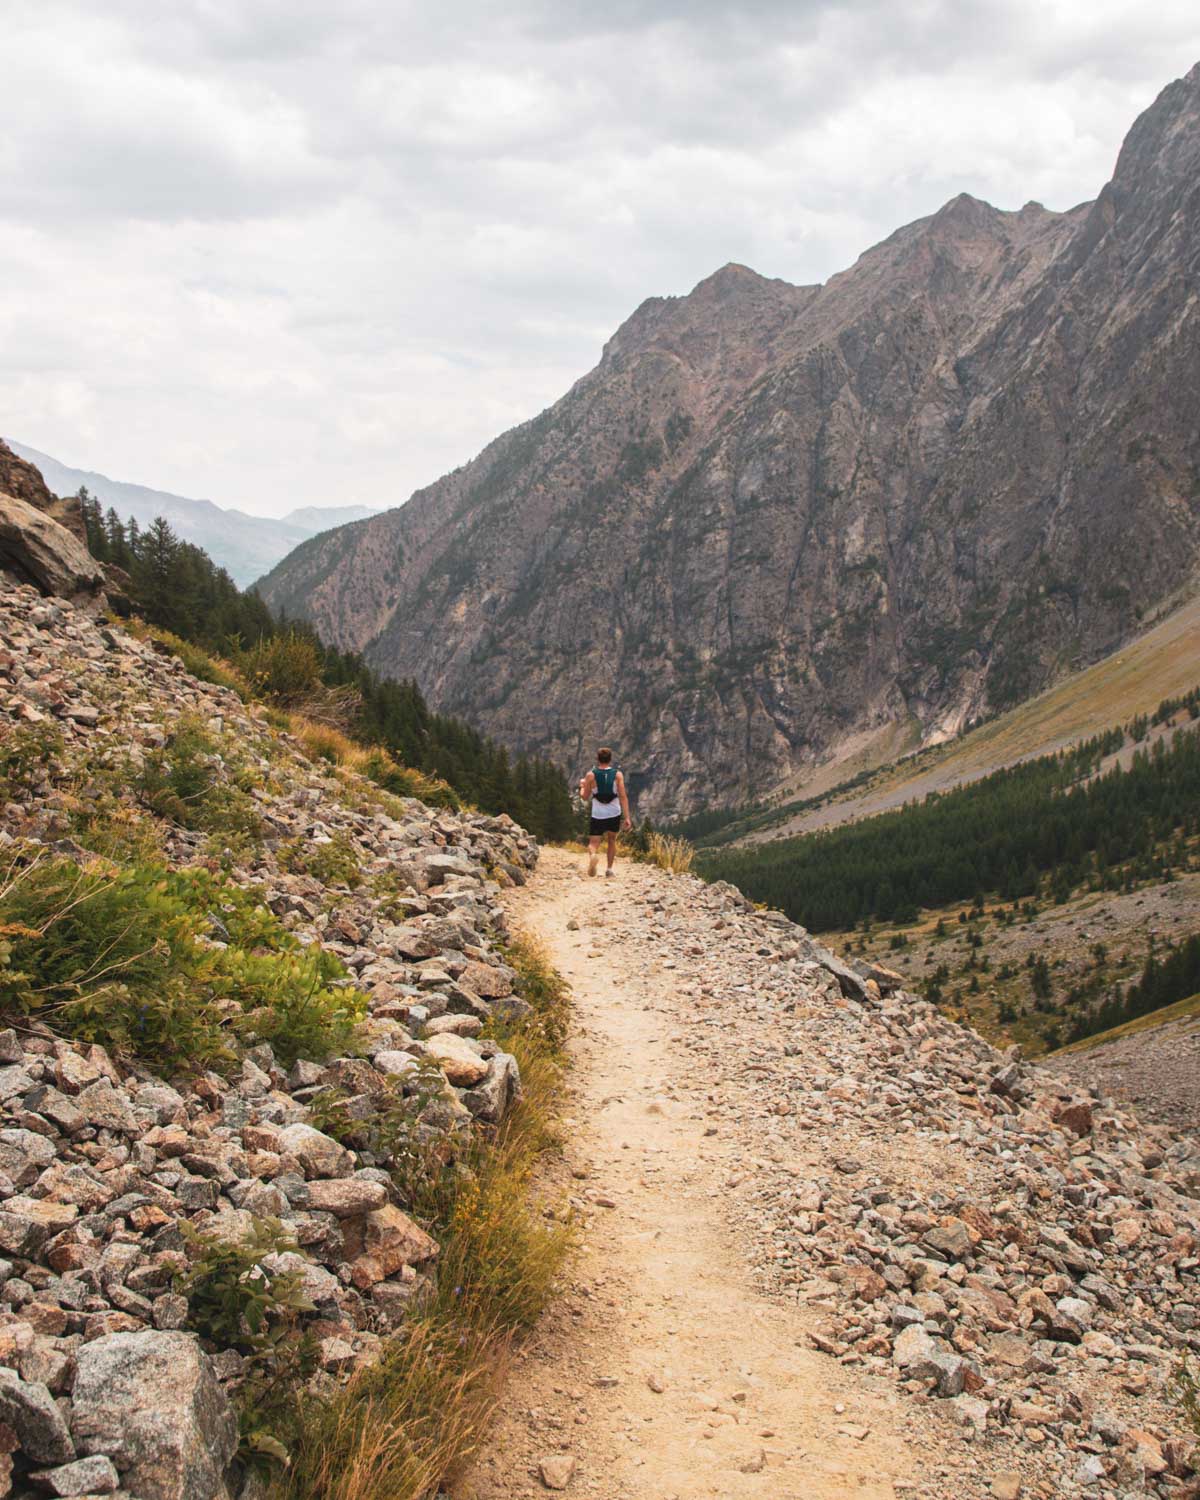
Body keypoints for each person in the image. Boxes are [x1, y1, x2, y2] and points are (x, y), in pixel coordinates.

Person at [578, 747, 631, 877]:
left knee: (593, 843)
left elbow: (585, 797)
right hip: (614, 812)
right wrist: (627, 817)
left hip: (598, 813)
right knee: (612, 840)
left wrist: (582, 786)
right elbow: (623, 796)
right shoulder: (618, 775)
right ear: (610, 759)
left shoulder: (591, 775)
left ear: (598, 759)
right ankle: (609, 869)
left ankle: (594, 856)